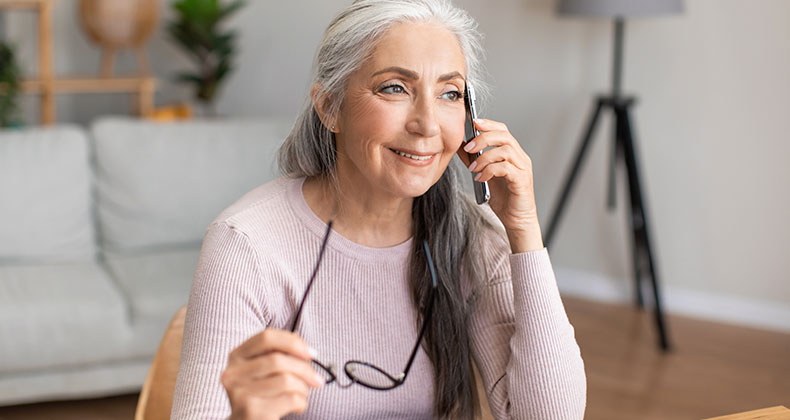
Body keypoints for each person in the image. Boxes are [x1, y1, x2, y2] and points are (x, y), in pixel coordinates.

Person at [171, 0, 587, 419]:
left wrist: (523, 229)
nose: (426, 123)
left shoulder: (470, 237)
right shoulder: (246, 244)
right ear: (330, 107)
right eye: (395, 88)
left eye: (449, 93)